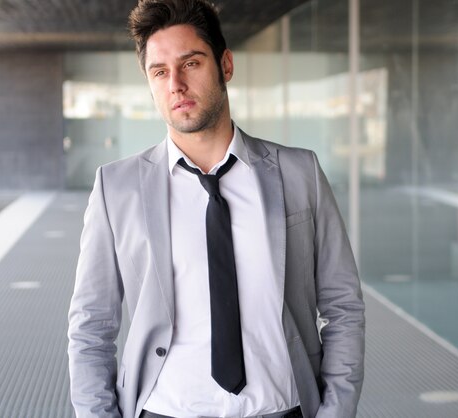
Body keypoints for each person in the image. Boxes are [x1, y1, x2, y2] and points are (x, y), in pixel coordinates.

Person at [67, 0, 365, 417]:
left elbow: (342, 306)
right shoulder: (116, 189)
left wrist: (335, 411)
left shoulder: (301, 174)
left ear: (225, 65)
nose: (175, 84)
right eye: (159, 71)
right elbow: (91, 326)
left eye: (191, 63)